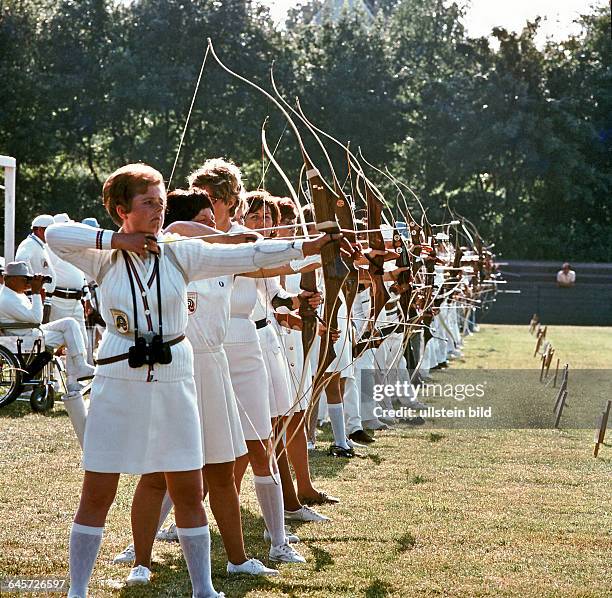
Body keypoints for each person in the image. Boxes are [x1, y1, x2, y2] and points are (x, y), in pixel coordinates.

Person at [45, 162, 339, 598]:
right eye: (148, 203)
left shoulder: (179, 252)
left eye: (161, 203)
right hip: (117, 374)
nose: (158, 211)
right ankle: (78, 592)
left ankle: (205, 589)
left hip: (175, 373)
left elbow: (249, 255)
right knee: (98, 488)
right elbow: (55, 234)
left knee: (186, 483)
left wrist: (311, 245)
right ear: (121, 209)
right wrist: (119, 240)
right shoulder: (101, 255)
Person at [15, 214, 56, 321]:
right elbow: (21, 261)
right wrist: (35, 286)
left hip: (40, 297)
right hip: (35, 298)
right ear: (39, 230)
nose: (52, 234)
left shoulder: (38, 245)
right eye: (49, 230)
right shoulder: (29, 244)